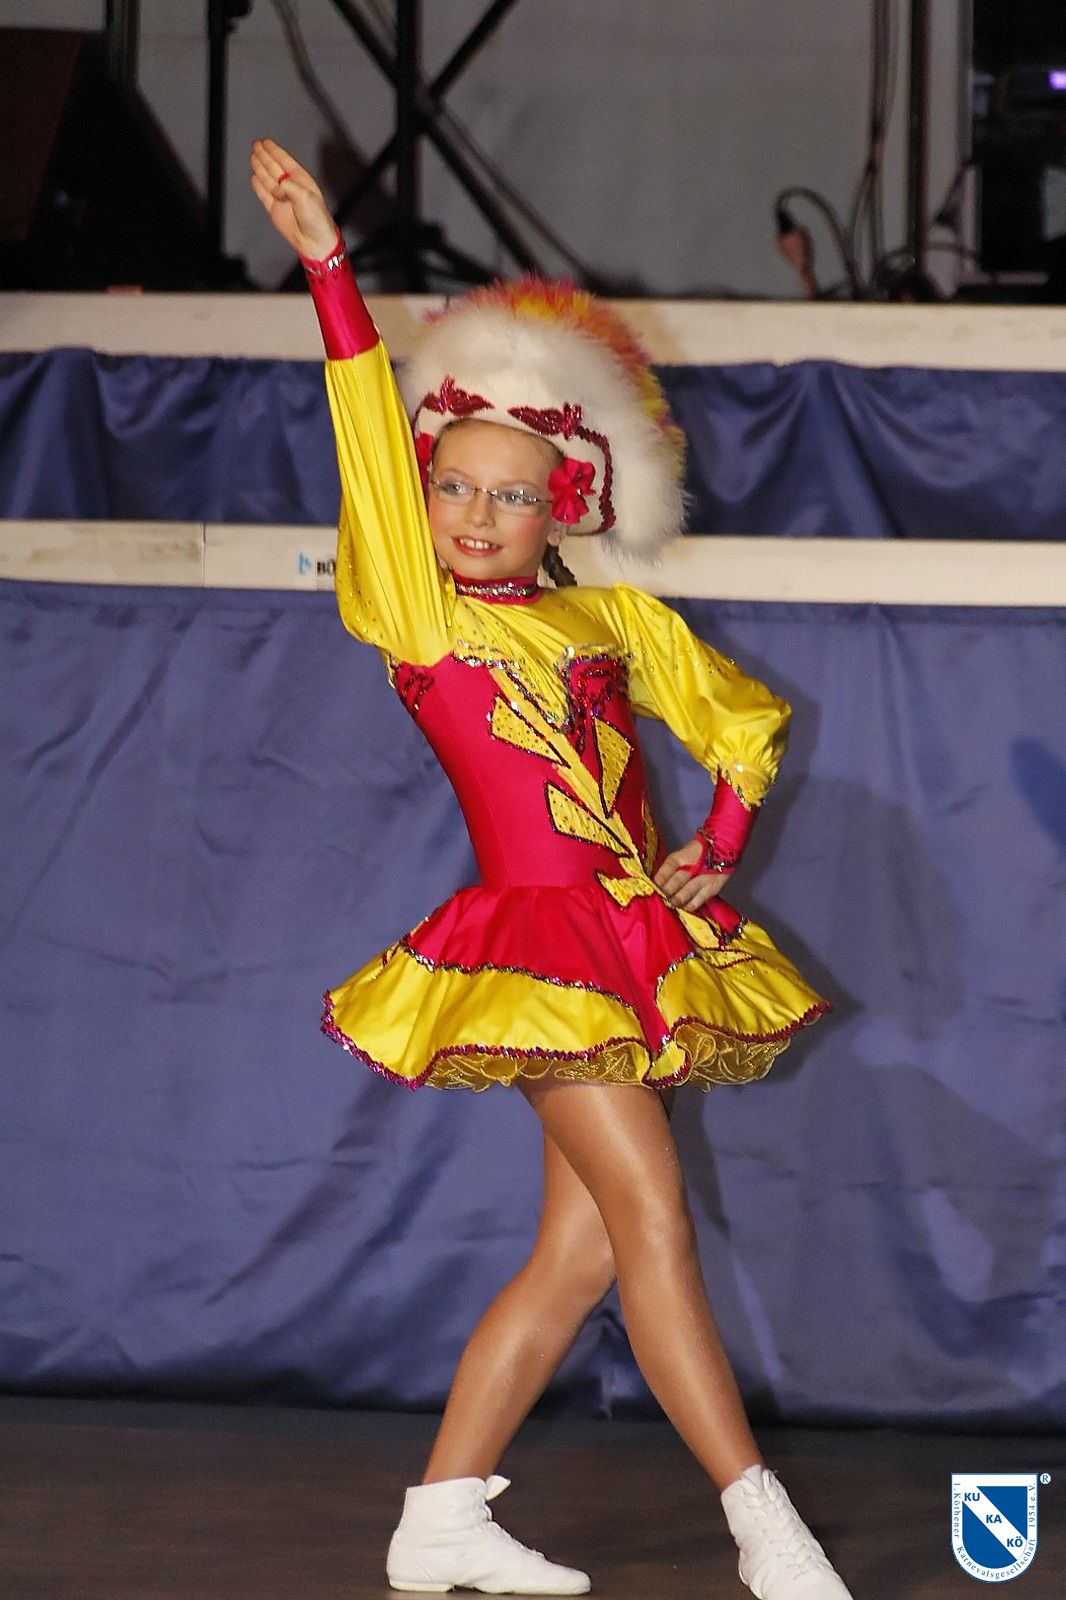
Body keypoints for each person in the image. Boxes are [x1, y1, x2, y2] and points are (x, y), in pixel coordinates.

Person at [251, 137, 852, 1600]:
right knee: (652, 1222)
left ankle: (442, 1516)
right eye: (451, 487)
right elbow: (363, 431)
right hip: (535, 948)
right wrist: (331, 269)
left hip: (630, 937)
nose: (472, 515)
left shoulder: (614, 623)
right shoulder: (420, 616)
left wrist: (717, 845)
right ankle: (762, 1524)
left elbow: (741, 724)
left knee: (580, 1259)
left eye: (507, 496)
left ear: (562, 506)